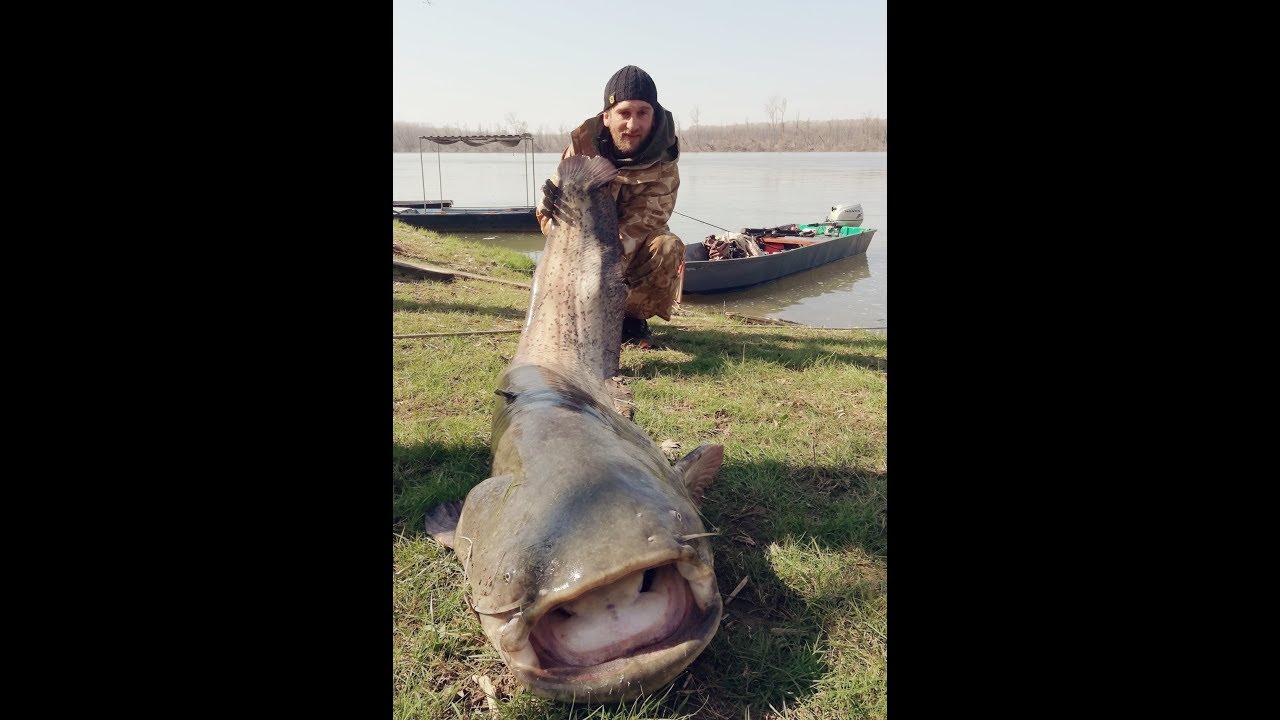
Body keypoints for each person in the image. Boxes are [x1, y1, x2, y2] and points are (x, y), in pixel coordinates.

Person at [536, 65, 685, 342]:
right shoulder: (580, 150)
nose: (633, 125)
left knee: (668, 246)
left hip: (624, 247)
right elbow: (553, 222)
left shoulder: (665, 164)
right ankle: (573, 311)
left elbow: (644, 224)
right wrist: (548, 214)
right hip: (581, 244)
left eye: (643, 113)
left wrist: (598, 265)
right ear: (607, 116)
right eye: (624, 113)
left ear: (654, 115)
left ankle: (631, 319)